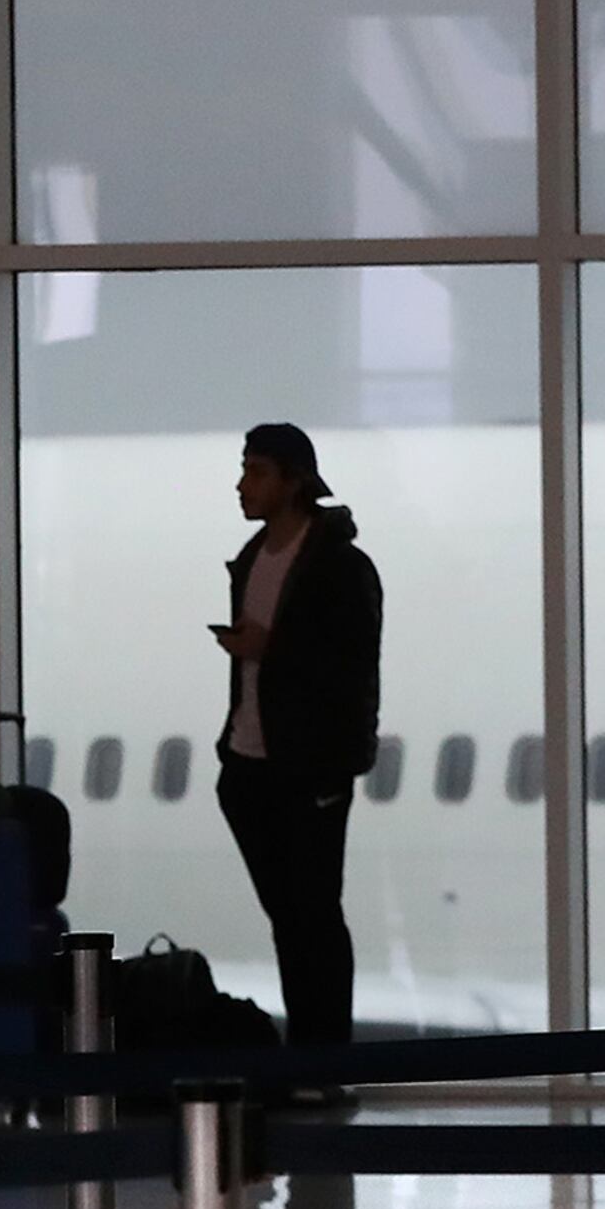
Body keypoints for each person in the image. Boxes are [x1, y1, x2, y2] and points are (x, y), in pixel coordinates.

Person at [206, 421, 381, 1079]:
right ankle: (308, 1059)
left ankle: (323, 1061)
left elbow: (351, 664)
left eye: (255, 471)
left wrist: (267, 649)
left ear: (293, 481)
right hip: (251, 764)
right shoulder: (253, 558)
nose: (242, 484)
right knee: (291, 917)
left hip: (308, 768)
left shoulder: (339, 566)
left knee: (314, 917)